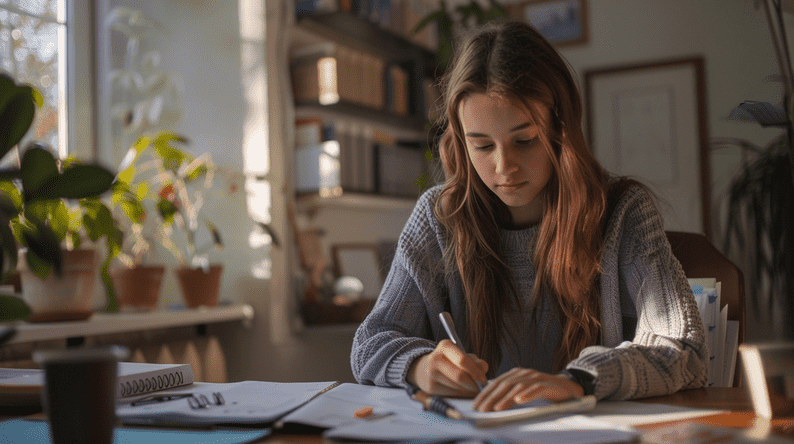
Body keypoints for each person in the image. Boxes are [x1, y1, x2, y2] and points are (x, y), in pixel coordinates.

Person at [350, 19, 708, 412]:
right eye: (482, 146)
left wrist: (579, 381)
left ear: (560, 128)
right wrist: (419, 365)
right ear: (461, 142)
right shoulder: (439, 218)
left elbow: (686, 352)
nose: (504, 167)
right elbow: (370, 343)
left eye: (525, 140)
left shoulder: (624, 212)